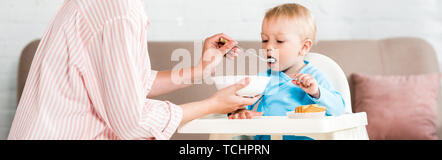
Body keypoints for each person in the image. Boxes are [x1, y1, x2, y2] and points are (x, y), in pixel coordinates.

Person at [8, 0, 259, 140]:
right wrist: (212, 105)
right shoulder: (119, 11)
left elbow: (130, 83)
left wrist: (200, 69)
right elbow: (131, 122)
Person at [228, 3, 346, 140]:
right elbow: (242, 107)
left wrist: (316, 92)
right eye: (264, 40)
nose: (268, 47)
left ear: (303, 47)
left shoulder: (315, 78)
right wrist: (240, 111)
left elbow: (338, 109)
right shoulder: (261, 80)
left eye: (279, 41)